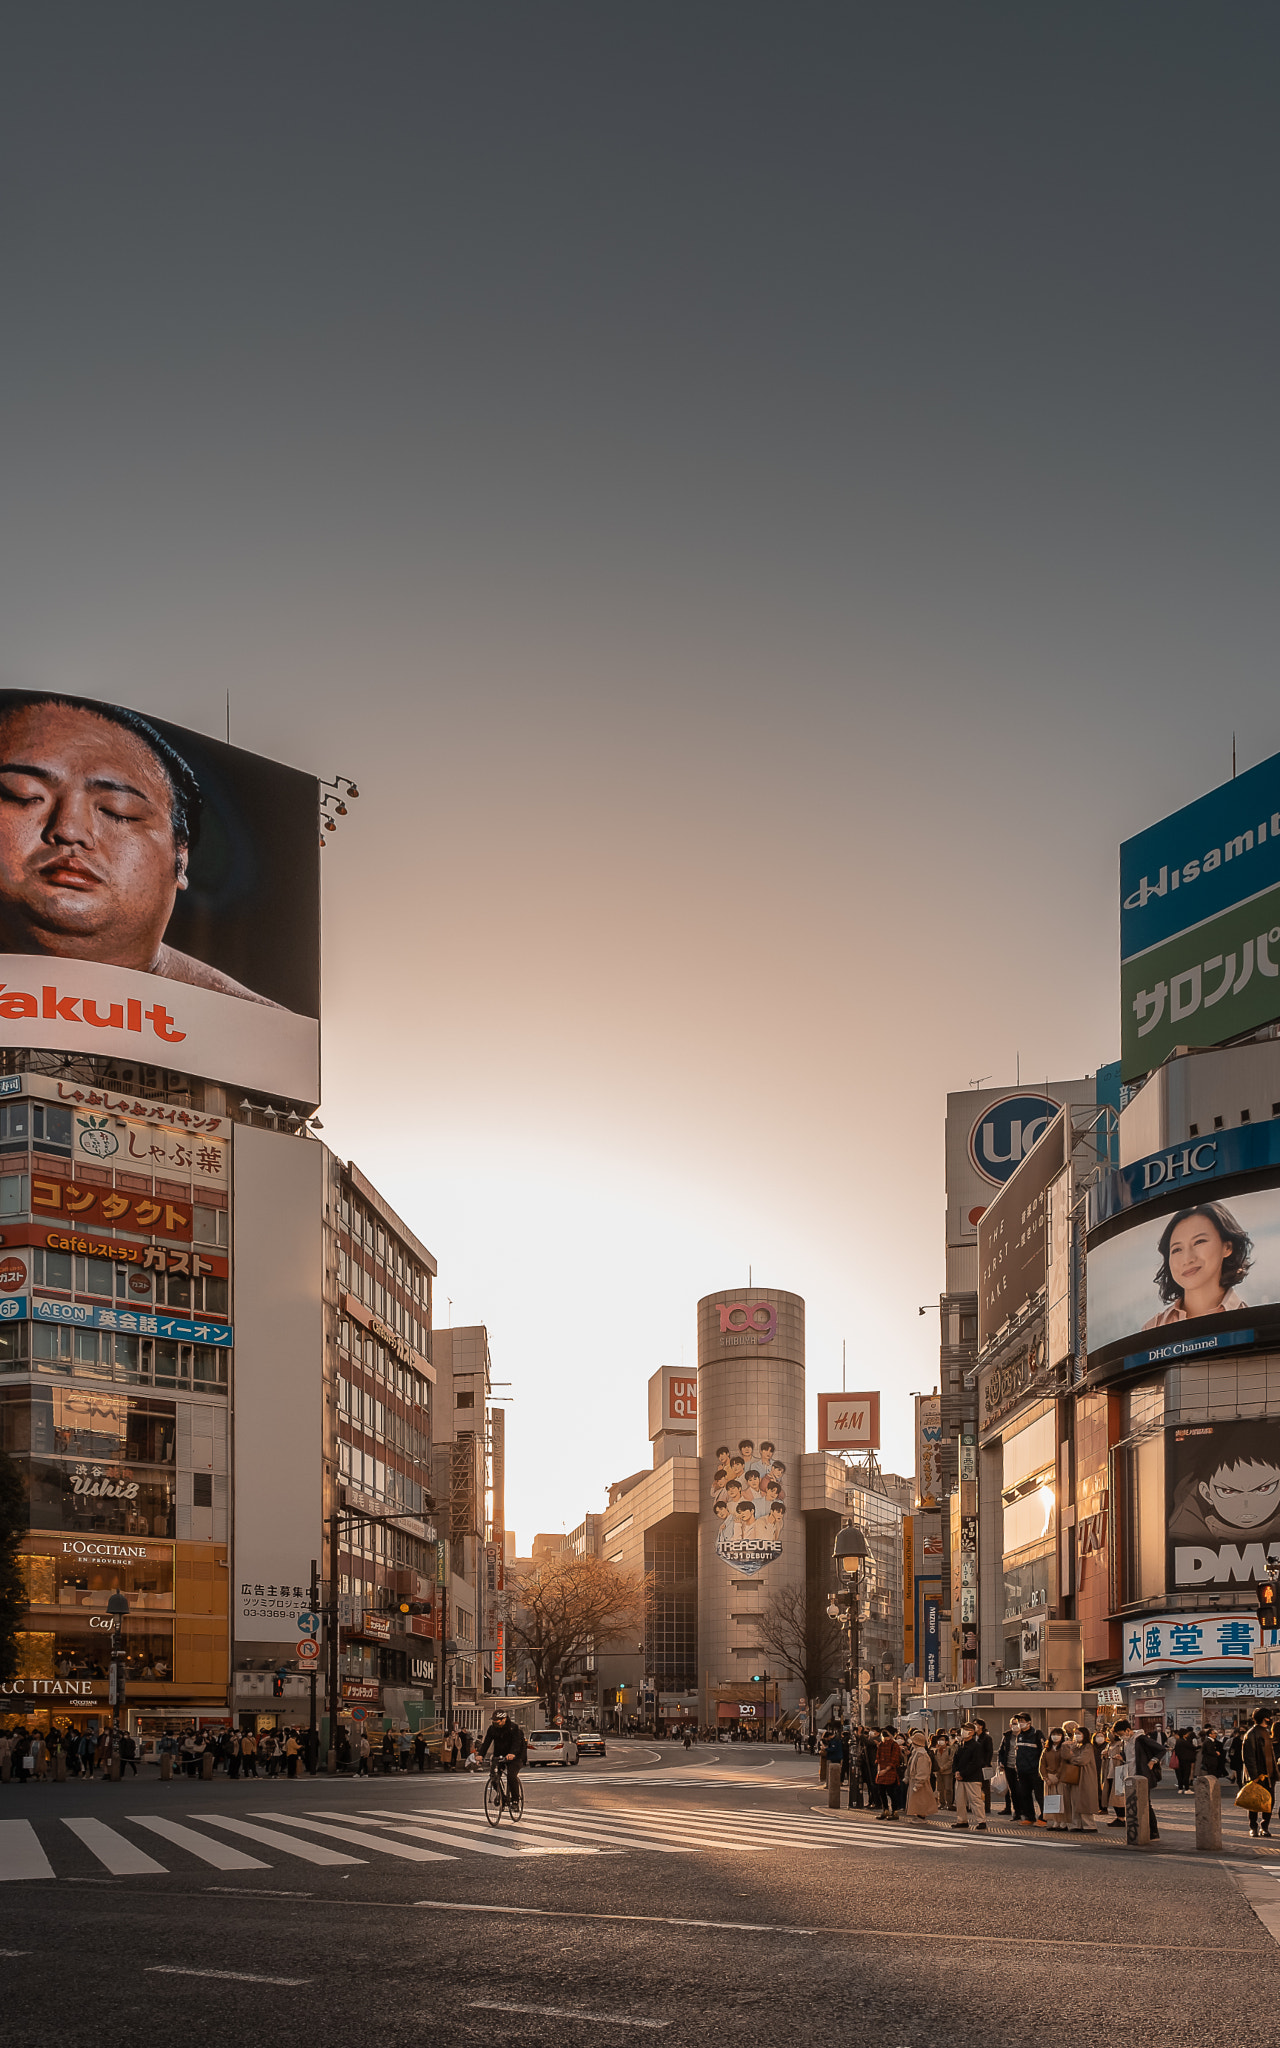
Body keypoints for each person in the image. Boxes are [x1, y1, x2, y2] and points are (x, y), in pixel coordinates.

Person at [0, 690, 275, 1003]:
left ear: (181, 856)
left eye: (119, 810)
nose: (70, 830)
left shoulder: (253, 1021)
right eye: (23, 794)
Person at [1142, 1202, 1252, 1329]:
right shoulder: (1152, 1328)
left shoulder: (1250, 1322)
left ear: (1227, 1247)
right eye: (1177, 1249)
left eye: (1199, 1242)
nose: (1187, 1259)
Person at [479, 1709, 527, 1807]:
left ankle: (515, 1800)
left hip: (515, 1756)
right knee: (494, 1776)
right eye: (494, 1721)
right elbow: (487, 1742)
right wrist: (481, 1755)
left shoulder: (513, 1728)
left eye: (497, 1722)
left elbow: (517, 1743)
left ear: (504, 1719)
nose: (495, 1723)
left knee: (511, 1776)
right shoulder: (492, 1729)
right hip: (499, 1755)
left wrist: (512, 1754)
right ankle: (502, 1797)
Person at [1242, 1707, 1276, 1841]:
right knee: (1254, 1802)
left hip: (1269, 1774)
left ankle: (1264, 1826)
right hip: (1258, 1775)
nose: (1271, 1719)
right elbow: (1248, 1757)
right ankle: (1253, 1827)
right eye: (1269, 1717)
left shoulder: (1266, 1732)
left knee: (1269, 1802)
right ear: (1265, 1718)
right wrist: (1254, 1776)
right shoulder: (1251, 1734)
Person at [1061, 1721, 1099, 1834]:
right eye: (1075, 1733)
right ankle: (1076, 1824)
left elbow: (1082, 1760)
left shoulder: (1088, 1747)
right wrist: (1067, 1748)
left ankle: (1089, 1825)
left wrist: (1072, 1759)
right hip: (1074, 1777)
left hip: (1086, 1777)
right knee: (1074, 1801)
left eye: (1079, 1733)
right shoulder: (1075, 1746)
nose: (1076, 1736)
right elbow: (1066, 1757)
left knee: (1085, 1801)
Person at [951, 1723, 987, 1830]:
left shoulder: (976, 1746)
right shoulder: (960, 1745)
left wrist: (963, 1773)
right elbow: (955, 1760)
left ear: (972, 1732)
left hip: (973, 1778)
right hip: (960, 1778)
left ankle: (981, 1821)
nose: (964, 1731)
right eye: (963, 1729)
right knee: (959, 1800)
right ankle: (962, 1820)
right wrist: (956, 1772)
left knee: (975, 1800)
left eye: (966, 1729)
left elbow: (976, 1763)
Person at [1012, 1714, 1044, 1827]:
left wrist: (1041, 1769)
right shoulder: (1019, 1735)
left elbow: (1043, 1752)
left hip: (1035, 1771)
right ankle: (1029, 1817)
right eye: (1019, 1721)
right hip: (1022, 1771)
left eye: (1022, 1720)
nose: (1020, 1723)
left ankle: (1044, 1818)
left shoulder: (1037, 1734)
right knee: (1024, 1795)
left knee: (1040, 1795)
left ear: (1029, 1722)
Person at [904, 1730, 938, 1823]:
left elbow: (923, 1770)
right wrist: (907, 1777)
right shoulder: (916, 1752)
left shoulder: (922, 1755)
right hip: (914, 1780)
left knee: (921, 1799)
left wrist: (919, 1782)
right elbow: (910, 1766)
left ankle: (921, 1816)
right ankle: (918, 1815)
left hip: (920, 1782)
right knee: (917, 1800)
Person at [1039, 1728, 1069, 1831]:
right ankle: (1055, 1822)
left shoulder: (1064, 1748)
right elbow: (1042, 1764)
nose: (1055, 1737)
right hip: (1049, 1778)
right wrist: (1045, 1777)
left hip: (1061, 1778)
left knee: (1062, 1800)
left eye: (1058, 1734)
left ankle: (1063, 1822)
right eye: (1053, 1734)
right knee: (1052, 1800)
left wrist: (1057, 1776)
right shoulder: (1046, 1749)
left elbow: (1064, 1763)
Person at [933, 1729, 956, 1811]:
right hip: (938, 1773)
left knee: (948, 1789)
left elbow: (951, 1761)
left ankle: (949, 1804)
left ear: (946, 1742)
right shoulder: (936, 1751)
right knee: (940, 1789)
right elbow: (935, 1760)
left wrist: (943, 1768)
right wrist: (938, 1769)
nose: (940, 1741)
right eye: (939, 1740)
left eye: (942, 1740)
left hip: (947, 1772)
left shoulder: (950, 1750)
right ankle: (941, 1803)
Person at [1172, 1728, 1198, 1793]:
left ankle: (1180, 1788)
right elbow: (1193, 1747)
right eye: (1186, 1733)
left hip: (1180, 1760)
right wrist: (1200, 1746)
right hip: (1186, 1760)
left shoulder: (1178, 1741)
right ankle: (1187, 1789)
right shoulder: (1183, 1741)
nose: (1187, 1734)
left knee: (1180, 1775)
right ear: (1184, 1734)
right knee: (1186, 1774)